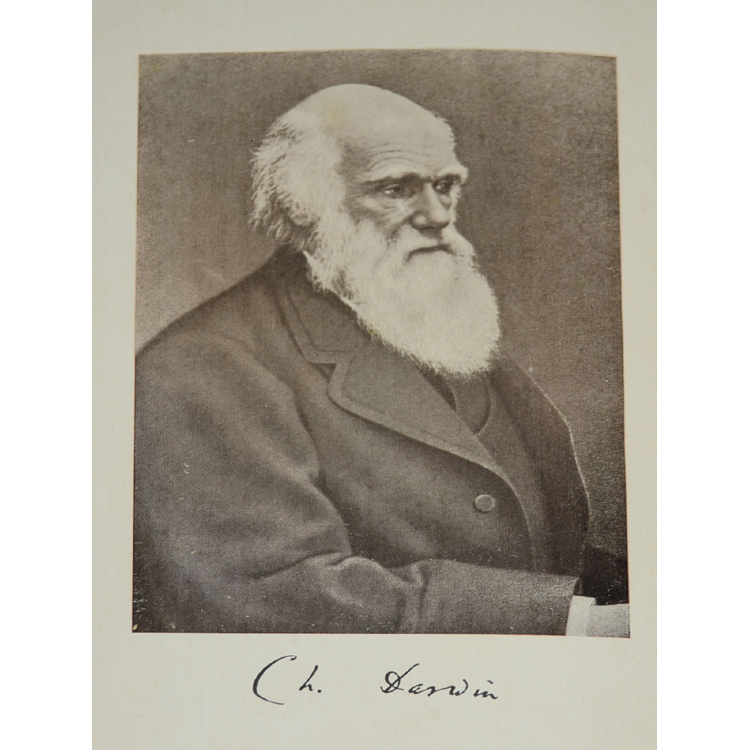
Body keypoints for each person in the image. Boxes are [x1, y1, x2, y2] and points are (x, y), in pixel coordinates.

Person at [133, 84, 629, 636]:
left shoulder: (434, 323)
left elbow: (541, 540)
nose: (437, 215)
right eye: (396, 189)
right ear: (303, 206)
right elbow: (269, 591)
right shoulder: (200, 364)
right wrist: (574, 622)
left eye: (446, 186)